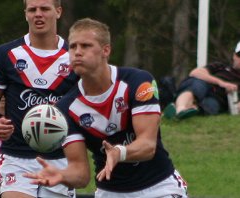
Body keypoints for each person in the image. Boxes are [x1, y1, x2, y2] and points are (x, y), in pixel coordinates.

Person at [23, 18, 188, 198]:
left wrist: (119, 152)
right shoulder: (65, 108)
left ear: (106, 50)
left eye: (86, 46)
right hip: (110, 192)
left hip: (159, 187)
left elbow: (148, 146)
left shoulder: (138, 82)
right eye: (73, 46)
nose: (77, 52)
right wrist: (62, 175)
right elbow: (81, 173)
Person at [0, 0, 79, 197]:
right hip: (16, 158)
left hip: (61, 159)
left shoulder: (74, 57)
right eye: (32, 9)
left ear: (58, 12)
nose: (38, 14)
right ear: (26, 14)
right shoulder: (6, 54)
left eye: (44, 9)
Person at [163, 41, 240, 120]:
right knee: (197, 85)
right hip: (201, 86)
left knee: (210, 106)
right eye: (239, 55)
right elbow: (195, 73)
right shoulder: (220, 66)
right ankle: (180, 109)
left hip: (218, 99)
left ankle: (180, 110)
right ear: (234, 55)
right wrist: (222, 83)